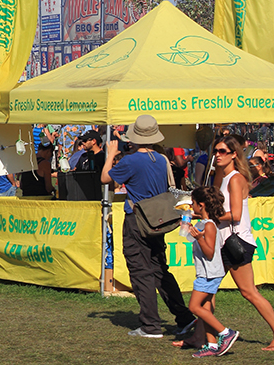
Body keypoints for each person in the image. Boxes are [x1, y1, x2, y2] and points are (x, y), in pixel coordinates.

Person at [101, 114, 193, 338]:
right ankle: (184, 318)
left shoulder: (131, 160)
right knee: (160, 270)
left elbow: (105, 178)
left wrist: (111, 155)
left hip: (137, 220)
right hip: (157, 219)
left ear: (134, 138)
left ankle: (150, 325)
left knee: (141, 271)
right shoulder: (161, 159)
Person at [212, 135, 274, 350]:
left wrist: (209, 216)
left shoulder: (236, 179)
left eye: (222, 151)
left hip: (236, 242)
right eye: (215, 151)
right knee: (207, 290)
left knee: (248, 292)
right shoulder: (225, 176)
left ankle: (209, 338)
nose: (217, 155)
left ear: (233, 154)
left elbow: (236, 214)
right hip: (226, 241)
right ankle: (205, 338)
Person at [184, 185, 240, 357]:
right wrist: (187, 225)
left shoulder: (209, 226)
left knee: (194, 306)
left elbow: (209, 253)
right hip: (206, 272)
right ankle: (212, 345)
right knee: (205, 309)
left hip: (209, 274)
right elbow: (187, 236)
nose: (191, 206)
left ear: (201, 205)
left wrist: (200, 239)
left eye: (193, 203)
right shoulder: (202, 222)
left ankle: (225, 333)